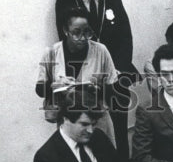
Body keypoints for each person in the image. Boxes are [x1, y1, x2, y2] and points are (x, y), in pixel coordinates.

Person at [54, 0, 137, 160]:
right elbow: (67, 42)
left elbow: (125, 38)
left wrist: (115, 68)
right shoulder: (65, 1)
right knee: (91, 131)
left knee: (119, 130)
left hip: (115, 75)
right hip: (85, 80)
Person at [36, 8, 118, 146]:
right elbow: (39, 89)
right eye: (76, 33)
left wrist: (96, 90)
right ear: (65, 30)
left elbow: (113, 88)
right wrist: (54, 86)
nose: (82, 38)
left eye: (87, 32)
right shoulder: (52, 53)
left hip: (97, 121)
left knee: (104, 160)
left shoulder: (100, 50)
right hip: (68, 123)